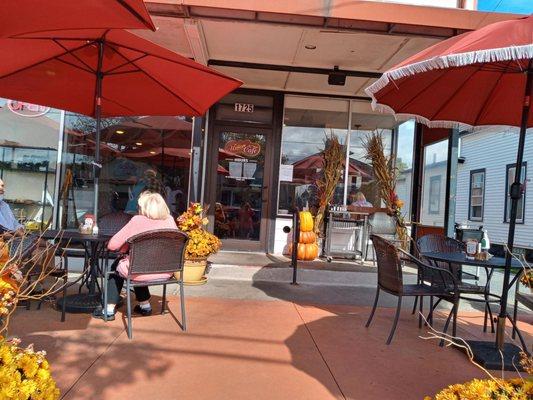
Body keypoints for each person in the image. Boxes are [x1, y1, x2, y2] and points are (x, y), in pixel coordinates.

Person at [93, 192, 178, 320]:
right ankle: (145, 305)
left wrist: (125, 247)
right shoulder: (170, 221)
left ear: (144, 208)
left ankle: (108, 309)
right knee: (138, 262)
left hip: (140, 270)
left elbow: (112, 245)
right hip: (166, 271)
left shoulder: (137, 220)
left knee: (118, 266)